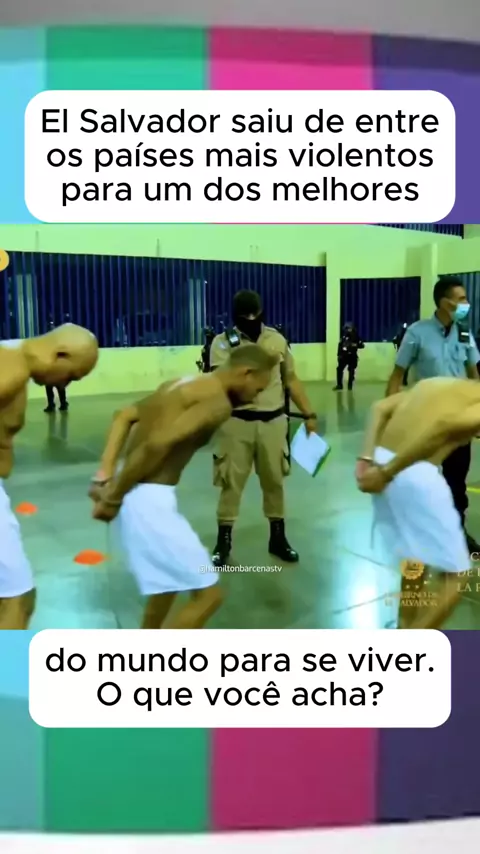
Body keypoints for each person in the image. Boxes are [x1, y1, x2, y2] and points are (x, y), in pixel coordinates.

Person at [89, 344, 278, 630]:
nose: (256, 397)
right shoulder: (217, 403)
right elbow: (158, 444)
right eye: (258, 388)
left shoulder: (180, 384)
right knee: (209, 596)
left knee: (167, 585)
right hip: (148, 501)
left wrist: (105, 474)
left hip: (135, 491)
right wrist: (112, 498)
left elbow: (123, 416)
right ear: (246, 373)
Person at [355, 376, 480, 630]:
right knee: (458, 574)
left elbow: (379, 407)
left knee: (416, 558)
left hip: (381, 458)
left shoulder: (436, 385)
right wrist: (388, 472)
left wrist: (366, 458)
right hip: (409, 471)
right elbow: (443, 426)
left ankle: (404, 627)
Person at [0, 325, 98, 629]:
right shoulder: (13, 367)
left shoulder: (13, 364)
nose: (66, 383)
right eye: (72, 376)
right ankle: (11, 664)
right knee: (17, 599)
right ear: (61, 355)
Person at [209, 290, 317, 567]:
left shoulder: (277, 340)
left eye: (254, 314)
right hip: (236, 424)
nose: (251, 320)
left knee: (274, 481)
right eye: (244, 316)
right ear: (235, 317)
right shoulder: (222, 343)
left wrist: (309, 412)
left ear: (262, 312)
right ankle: (223, 541)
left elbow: (291, 378)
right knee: (231, 483)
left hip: (273, 423)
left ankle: (278, 538)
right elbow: (219, 382)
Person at [386, 276, 480, 552]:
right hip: (426, 420)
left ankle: (456, 532)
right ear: (444, 302)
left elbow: (474, 374)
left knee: (456, 482)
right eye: (461, 299)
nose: (466, 303)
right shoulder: (417, 333)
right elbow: (397, 375)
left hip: (458, 420)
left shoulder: (464, 332)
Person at [334, 323, 364, 391]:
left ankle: (350, 385)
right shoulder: (344, 336)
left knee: (351, 370)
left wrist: (354, 345)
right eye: (347, 329)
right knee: (339, 369)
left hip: (352, 356)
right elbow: (340, 346)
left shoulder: (356, 336)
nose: (348, 330)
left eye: (349, 328)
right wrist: (339, 355)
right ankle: (339, 385)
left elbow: (361, 345)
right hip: (344, 356)